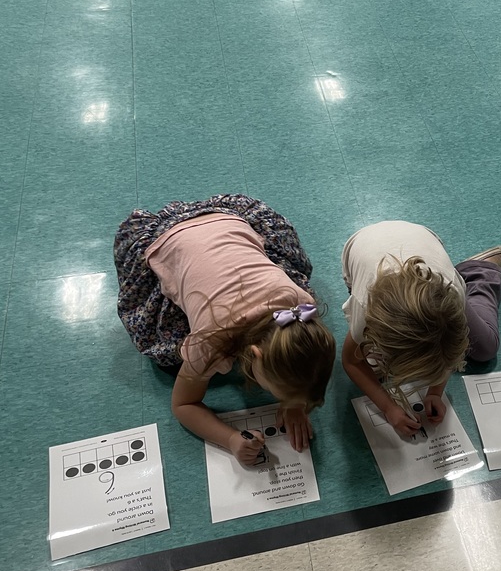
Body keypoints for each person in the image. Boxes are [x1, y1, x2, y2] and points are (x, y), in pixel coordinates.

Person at [115, 195, 336, 465]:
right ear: (255, 354)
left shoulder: (299, 307)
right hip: (166, 241)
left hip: (228, 221)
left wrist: (294, 403)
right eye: (275, 392)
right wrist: (230, 438)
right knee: (169, 358)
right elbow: (183, 405)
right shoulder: (210, 341)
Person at [340, 220, 501, 438]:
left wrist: (436, 392)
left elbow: (447, 350)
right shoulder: (366, 309)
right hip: (360, 246)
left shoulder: (452, 296)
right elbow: (350, 361)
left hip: (429, 255)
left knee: (486, 348)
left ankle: (481, 269)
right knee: (372, 367)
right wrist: (389, 408)